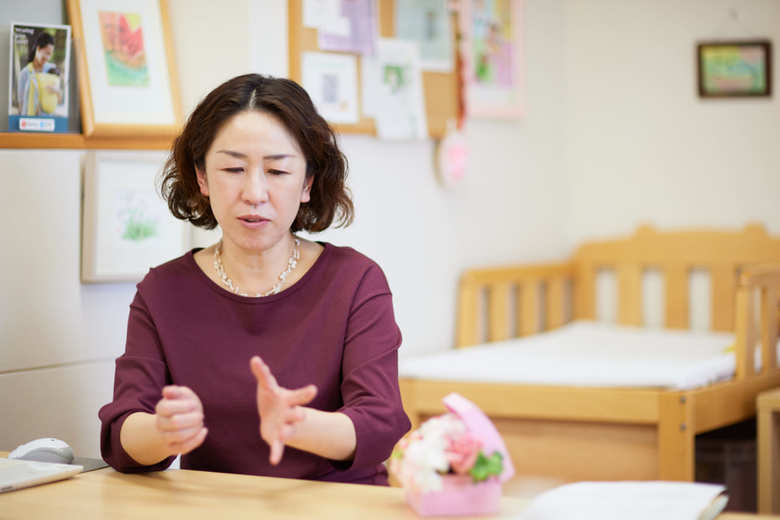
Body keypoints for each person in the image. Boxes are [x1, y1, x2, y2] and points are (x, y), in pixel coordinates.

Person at [98, 74, 411, 486]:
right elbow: (122, 432)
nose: (254, 192)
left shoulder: (354, 281)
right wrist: (161, 431)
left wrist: (298, 424)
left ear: (308, 182)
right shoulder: (163, 291)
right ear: (202, 177)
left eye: (277, 170)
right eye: (233, 168)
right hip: (216, 508)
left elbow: (381, 422)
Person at [17, 31, 63, 116]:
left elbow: (60, 101)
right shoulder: (24, 73)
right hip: (29, 120)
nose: (48, 57)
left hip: (47, 121)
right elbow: (21, 104)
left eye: (50, 54)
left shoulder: (52, 70)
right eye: (47, 53)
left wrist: (57, 92)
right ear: (38, 49)